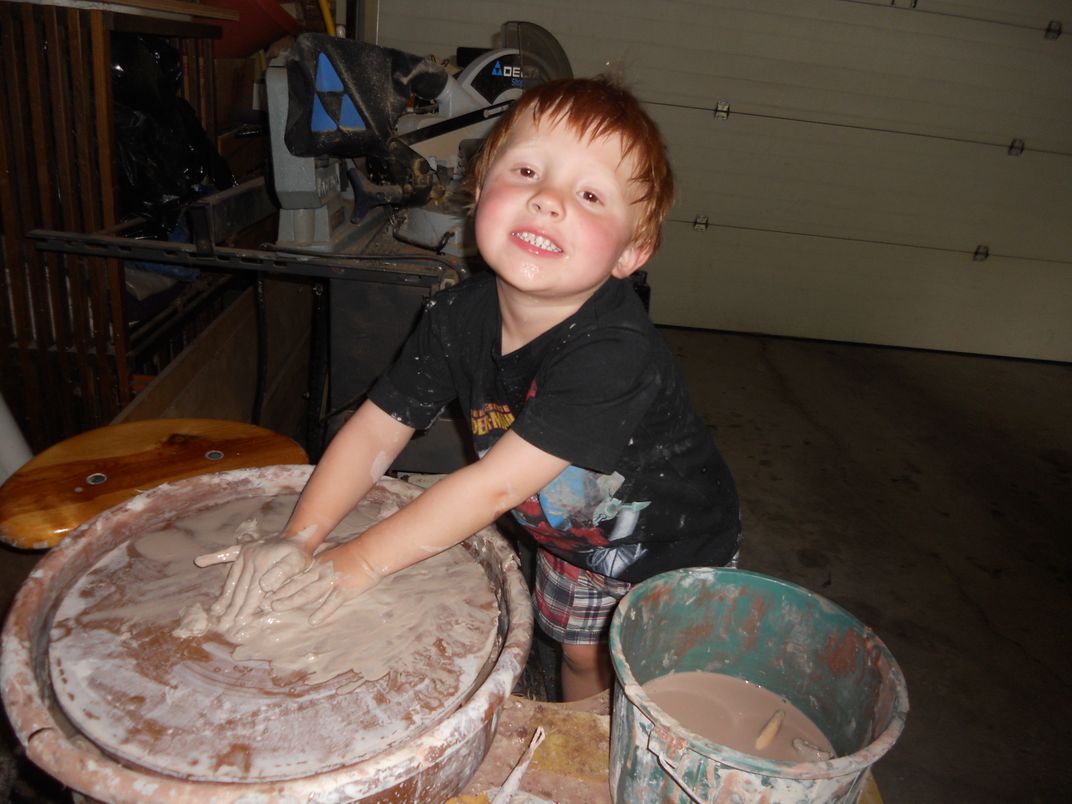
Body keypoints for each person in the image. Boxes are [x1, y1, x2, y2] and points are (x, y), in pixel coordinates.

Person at [200, 76, 740, 701]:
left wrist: (360, 561)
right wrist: (302, 536)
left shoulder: (615, 353)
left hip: (675, 550)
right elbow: (379, 425)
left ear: (632, 252)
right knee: (581, 658)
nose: (548, 200)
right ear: (479, 191)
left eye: (590, 194)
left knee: (657, 692)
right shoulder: (455, 317)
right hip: (575, 546)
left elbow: (498, 485)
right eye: (529, 171)